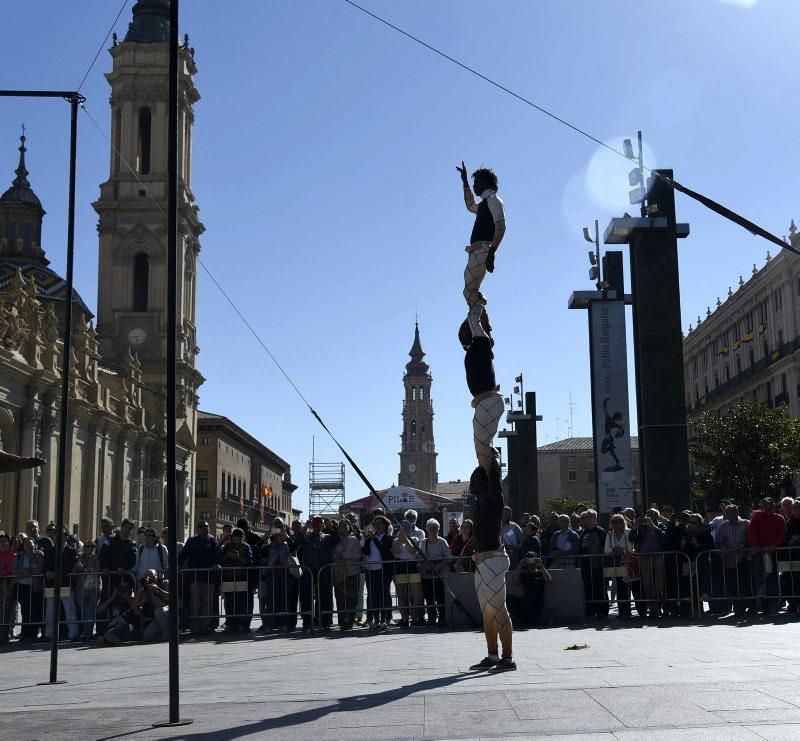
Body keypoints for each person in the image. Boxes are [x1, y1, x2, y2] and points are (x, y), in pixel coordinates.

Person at [469, 461, 515, 672]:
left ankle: (508, 657)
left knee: (498, 608)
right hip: (482, 559)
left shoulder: (494, 500)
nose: (471, 483)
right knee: (487, 611)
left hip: (494, 559)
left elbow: (495, 480)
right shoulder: (478, 504)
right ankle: (492, 654)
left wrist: (491, 462)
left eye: (475, 479)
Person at [456, 162, 506, 334]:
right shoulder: (485, 203)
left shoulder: (493, 201)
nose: (475, 187)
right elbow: (471, 206)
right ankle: (482, 323)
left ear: (485, 183)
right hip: (477, 251)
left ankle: (480, 322)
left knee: (469, 290)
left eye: (476, 183)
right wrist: (465, 183)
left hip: (482, 251)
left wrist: (492, 252)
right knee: (470, 290)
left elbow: (501, 227)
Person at [459, 317, 504, 477]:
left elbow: (474, 320)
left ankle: (491, 482)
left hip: (487, 402)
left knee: (482, 447)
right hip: (489, 401)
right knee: (483, 446)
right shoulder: (481, 347)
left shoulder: (481, 343)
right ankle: (493, 475)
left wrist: (475, 302)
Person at [296, 516, 340, 631]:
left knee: (325, 596)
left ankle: (325, 621)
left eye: (319, 525)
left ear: (322, 525)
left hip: (323, 570)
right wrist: (305, 527)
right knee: (306, 597)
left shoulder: (327, 537)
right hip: (308, 571)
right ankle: (307, 621)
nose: (317, 527)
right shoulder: (307, 537)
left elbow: (337, 539)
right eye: (315, 525)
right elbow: (298, 541)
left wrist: (329, 525)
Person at [179, 520, 220, 636]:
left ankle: (204, 626)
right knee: (195, 602)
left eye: (206, 526)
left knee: (207, 602)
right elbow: (183, 555)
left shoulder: (212, 540)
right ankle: (195, 627)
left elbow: (217, 554)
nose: (205, 528)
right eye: (202, 527)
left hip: (209, 577)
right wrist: (178, 565)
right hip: (195, 577)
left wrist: (217, 564)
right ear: (198, 529)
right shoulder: (191, 541)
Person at [747, 497, 787, 616]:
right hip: (759, 553)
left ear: (773, 505)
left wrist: (773, 546)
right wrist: (754, 546)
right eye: (764, 505)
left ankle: (773, 604)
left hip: (773, 553)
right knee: (760, 579)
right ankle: (763, 605)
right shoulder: (758, 515)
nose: (766, 507)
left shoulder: (779, 518)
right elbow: (750, 530)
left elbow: (782, 535)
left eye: (768, 504)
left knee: (772, 579)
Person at [715, 504, 751, 617]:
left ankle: (748, 606)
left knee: (745, 584)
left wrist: (742, 546)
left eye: (731, 512)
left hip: (743, 559)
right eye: (727, 513)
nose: (729, 515)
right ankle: (738, 608)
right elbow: (717, 543)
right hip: (729, 561)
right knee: (733, 585)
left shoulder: (746, 523)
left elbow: (751, 540)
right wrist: (723, 548)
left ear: (737, 512)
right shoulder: (723, 526)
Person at [43, 534, 80, 642]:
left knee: (70, 610)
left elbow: (69, 567)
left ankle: (73, 633)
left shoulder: (71, 551)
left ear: (66, 538)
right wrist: (47, 572)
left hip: (65, 584)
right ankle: (49, 634)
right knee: (50, 611)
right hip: (51, 585)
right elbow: (45, 566)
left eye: (62, 535)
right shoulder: (50, 551)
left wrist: (56, 573)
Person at [631, 508, 666, 618]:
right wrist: (635, 527)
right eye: (648, 513)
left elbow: (665, 537)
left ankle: (660, 602)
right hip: (644, 557)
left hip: (658, 555)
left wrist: (654, 527)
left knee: (659, 581)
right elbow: (632, 539)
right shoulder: (642, 527)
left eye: (653, 514)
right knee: (647, 582)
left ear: (657, 516)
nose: (650, 515)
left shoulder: (660, 525)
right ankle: (653, 610)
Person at [218, 528, 253, 633]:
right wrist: (227, 556)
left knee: (242, 603)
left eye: (238, 537)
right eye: (234, 537)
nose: (235, 539)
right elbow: (220, 560)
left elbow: (249, 562)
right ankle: (230, 624)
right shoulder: (227, 547)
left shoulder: (246, 547)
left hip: (241, 577)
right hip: (228, 577)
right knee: (229, 602)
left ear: (241, 537)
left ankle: (242, 625)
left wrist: (238, 557)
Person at [362, 515, 394, 630]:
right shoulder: (371, 538)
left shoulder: (388, 538)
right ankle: (375, 620)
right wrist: (367, 540)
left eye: (379, 523)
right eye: (375, 524)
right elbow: (365, 552)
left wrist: (375, 539)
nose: (376, 526)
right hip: (370, 568)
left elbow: (385, 552)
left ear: (385, 525)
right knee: (373, 595)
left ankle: (384, 619)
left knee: (384, 594)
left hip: (383, 569)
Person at [680, 513, 715, 615]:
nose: (691, 524)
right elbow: (682, 549)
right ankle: (690, 609)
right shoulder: (686, 533)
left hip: (701, 563)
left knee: (701, 586)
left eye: (694, 522)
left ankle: (701, 609)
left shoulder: (705, 532)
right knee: (690, 587)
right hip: (689, 563)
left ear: (699, 523)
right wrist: (682, 545)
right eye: (690, 522)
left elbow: (711, 546)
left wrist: (698, 545)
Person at [331, 519, 362, 630]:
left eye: (345, 525)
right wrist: (343, 556)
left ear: (349, 527)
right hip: (339, 574)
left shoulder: (354, 540)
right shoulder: (336, 541)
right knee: (340, 598)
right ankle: (342, 621)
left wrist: (343, 555)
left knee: (352, 599)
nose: (343, 527)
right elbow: (333, 556)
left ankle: (350, 621)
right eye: (341, 526)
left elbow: (357, 555)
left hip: (352, 573)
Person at [392, 519, 424, 627]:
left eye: (406, 528)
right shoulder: (396, 540)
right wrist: (400, 540)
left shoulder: (415, 538)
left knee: (416, 595)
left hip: (412, 567)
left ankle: (414, 618)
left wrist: (406, 540)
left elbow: (412, 551)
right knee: (401, 595)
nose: (403, 531)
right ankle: (404, 619)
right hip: (400, 568)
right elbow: (396, 551)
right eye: (402, 528)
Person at [419, 518, 450, 628]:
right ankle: (431, 618)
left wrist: (439, 565)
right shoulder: (423, 542)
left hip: (439, 575)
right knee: (429, 598)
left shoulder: (442, 542)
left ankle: (442, 618)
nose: (432, 530)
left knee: (441, 597)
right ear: (427, 529)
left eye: (435, 528)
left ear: (439, 529)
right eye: (430, 528)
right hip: (426, 575)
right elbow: (420, 558)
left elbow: (449, 558)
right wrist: (428, 566)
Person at [13, 537, 44, 642]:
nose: (30, 546)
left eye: (31, 544)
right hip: (22, 586)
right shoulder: (19, 556)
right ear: (24, 546)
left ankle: (33, 634)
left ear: (34, 545)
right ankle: (25, 634)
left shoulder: (39, 555)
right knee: (25, 611)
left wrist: (25, 572)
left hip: (35, 587)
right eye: (27, 544)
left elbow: (39, 570)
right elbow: (15, 570)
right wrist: (28, 571)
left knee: (34, 611)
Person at [507, 553, 551, 627]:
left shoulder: (540, 573)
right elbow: (514, 581)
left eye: (532, 560)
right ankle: (522, 620)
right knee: (507, 597)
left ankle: (526, 621)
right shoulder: (524, 574)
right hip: (526, 602)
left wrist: (541, 565)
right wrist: (520, 565)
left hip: (537, 603)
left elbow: (548, 580)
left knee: (528, 604)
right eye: (528, 560)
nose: (530, 563)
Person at [579, 509, 608, 618]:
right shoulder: (583, 533)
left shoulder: (601, 532)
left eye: (591, 516)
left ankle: (602, 610)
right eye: (587, 517)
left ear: (595, 518)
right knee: (588, 588)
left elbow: (604, 548)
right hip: (586, 565)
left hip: (598, 565)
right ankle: (590, 610)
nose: (588, 518)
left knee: (600, 588)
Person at [604, 514, 634, 618]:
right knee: (618, 587)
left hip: (627, 563)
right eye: (614, 522)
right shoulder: (609, 534)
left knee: (626, 587)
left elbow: (630, 549)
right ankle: (622, 612)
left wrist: (622, 550)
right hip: (614, 563)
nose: (616, 524)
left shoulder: (628, 532)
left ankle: (627, 611)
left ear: (623, 523)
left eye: (619, 521)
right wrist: (613, 550)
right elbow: (606, 550)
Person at [95, 578, 139, 646]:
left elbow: (137, 613)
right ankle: (110, 638)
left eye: (125, 588)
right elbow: (98, 611)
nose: (122, 590)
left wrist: (127, 597)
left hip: (128, 627)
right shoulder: (115, 601)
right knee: (100, 638)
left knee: (121, 625)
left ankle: (109, 638)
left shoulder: (133, 601)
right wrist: (113, 596)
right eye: (120, 588)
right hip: (113, 626)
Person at [73, 540, 101, 640]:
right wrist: (77, 567)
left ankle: (87, 634)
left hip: (92, 590)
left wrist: (83, 569)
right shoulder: (80, 558)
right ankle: (84, 632)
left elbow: (96, 571)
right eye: (85, 546)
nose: (87, 548)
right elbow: (74, 572)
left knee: (89, 613)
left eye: (89, 546)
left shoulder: (96, 558)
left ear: (94, 548)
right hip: (80, 589)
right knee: (83, 613)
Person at [135, 569, 171, 641]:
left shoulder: (165, 583)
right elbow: (136, 606)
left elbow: (170, 598)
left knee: (159, 612)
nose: (149, 579)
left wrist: (157, 590)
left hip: (173, 610)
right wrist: (139, 589)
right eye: (147, 577)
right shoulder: (147, 590)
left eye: (152, 577)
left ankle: (167, 635)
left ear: (157, 576)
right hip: (160, 615)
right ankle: (164, 632)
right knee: (147, 636)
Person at [0, 532, 17, 643]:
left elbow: (12, 571)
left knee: (5, 611)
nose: (3, 544)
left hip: (7, 585)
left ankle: (3, 635)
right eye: (0, 542)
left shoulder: (13, 555)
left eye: (5, 541)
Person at [785, 500, 800, 614]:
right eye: (794, 508)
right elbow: (785, 538)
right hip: (792, 556)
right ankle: (793, 604)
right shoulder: (789, 522)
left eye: (798, 508)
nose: (795, 510)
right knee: (793, 580)